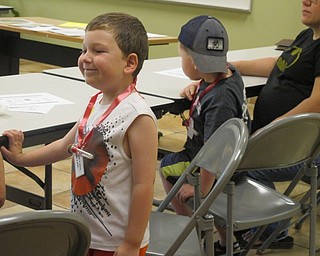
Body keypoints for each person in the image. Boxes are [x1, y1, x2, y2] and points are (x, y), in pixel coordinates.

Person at [1, 12, 158, 256]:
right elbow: (65, 145)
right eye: (84, 49)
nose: (85, 58)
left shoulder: (138, 117)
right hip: (86, 233)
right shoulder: (96, 102)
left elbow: (143, 186)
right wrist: (21, 159)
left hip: (116, 242)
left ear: (130, 63)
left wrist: (131, 242)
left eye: (98, 51)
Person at [230, 0, 320, 249]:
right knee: (230, 154)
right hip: (281, 141)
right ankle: (262, 223)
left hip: (302, 150)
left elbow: (318, 102)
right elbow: (278, 66)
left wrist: (270, 131)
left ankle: (272, 230)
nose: (306, 1)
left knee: (236, 166)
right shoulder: (307, 36)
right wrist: (232, 67)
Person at [159, 15, 251, 255]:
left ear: (195, 62)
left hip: (218, 167)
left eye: (182, 57)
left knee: (167, 167)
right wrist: (196, 87)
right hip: (233, 161)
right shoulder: (229, 74)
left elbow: (214, 152)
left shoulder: (219, 101)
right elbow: (211, 87)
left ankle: (192, 230)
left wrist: (202, 189)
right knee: (181, 173)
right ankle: (227, 241)